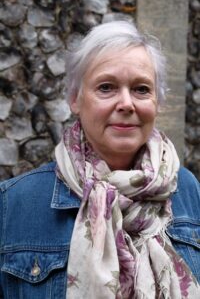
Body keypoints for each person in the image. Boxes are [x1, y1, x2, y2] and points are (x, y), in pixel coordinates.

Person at [0, 21, 200, 299]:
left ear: (158, 102)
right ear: (75, 99)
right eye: (106, 87)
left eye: (141, 89)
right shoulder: (14, 204)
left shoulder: (188, 191)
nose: (127, 103)